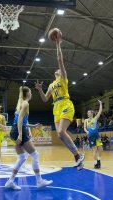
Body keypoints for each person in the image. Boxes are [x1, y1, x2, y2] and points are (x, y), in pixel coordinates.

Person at [35, 31, 84, 170]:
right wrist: (39, 89)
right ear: (54, 73)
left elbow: (60, 60)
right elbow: (45, 99)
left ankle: (78, 155)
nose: (58, 69)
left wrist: (58, 45)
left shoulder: (63, 78)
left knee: (62, 132)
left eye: (60, 69)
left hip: (65, 103)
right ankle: (76, 156)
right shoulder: (51, 84)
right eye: (57, 70)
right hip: (56, 107)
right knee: (60, 135)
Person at [5, 86, 52, 190]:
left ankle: (10, 181)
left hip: (14, 131)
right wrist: (21, 134)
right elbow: (20, 120)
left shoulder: (21, 103)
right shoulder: (26, 103)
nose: (31, 94)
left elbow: (23, 121)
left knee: (22, 158)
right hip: (18, 131)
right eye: (30, 92)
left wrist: (33, 126)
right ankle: (39, 181)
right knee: (35, 154)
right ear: (27, 94)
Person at [84, 100, 103, 169]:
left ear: (92, 113)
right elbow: (84, 128)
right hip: (91, 136)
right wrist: (87, 131)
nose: (88, 114)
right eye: (87, 113)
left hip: (97, 135)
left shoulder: (95, 118)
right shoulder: (86, 120)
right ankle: (95, 163)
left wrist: (100, 103)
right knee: (94, 150)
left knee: (101, 148)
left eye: (88, 113)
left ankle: (98, 159)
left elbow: (100, 111)